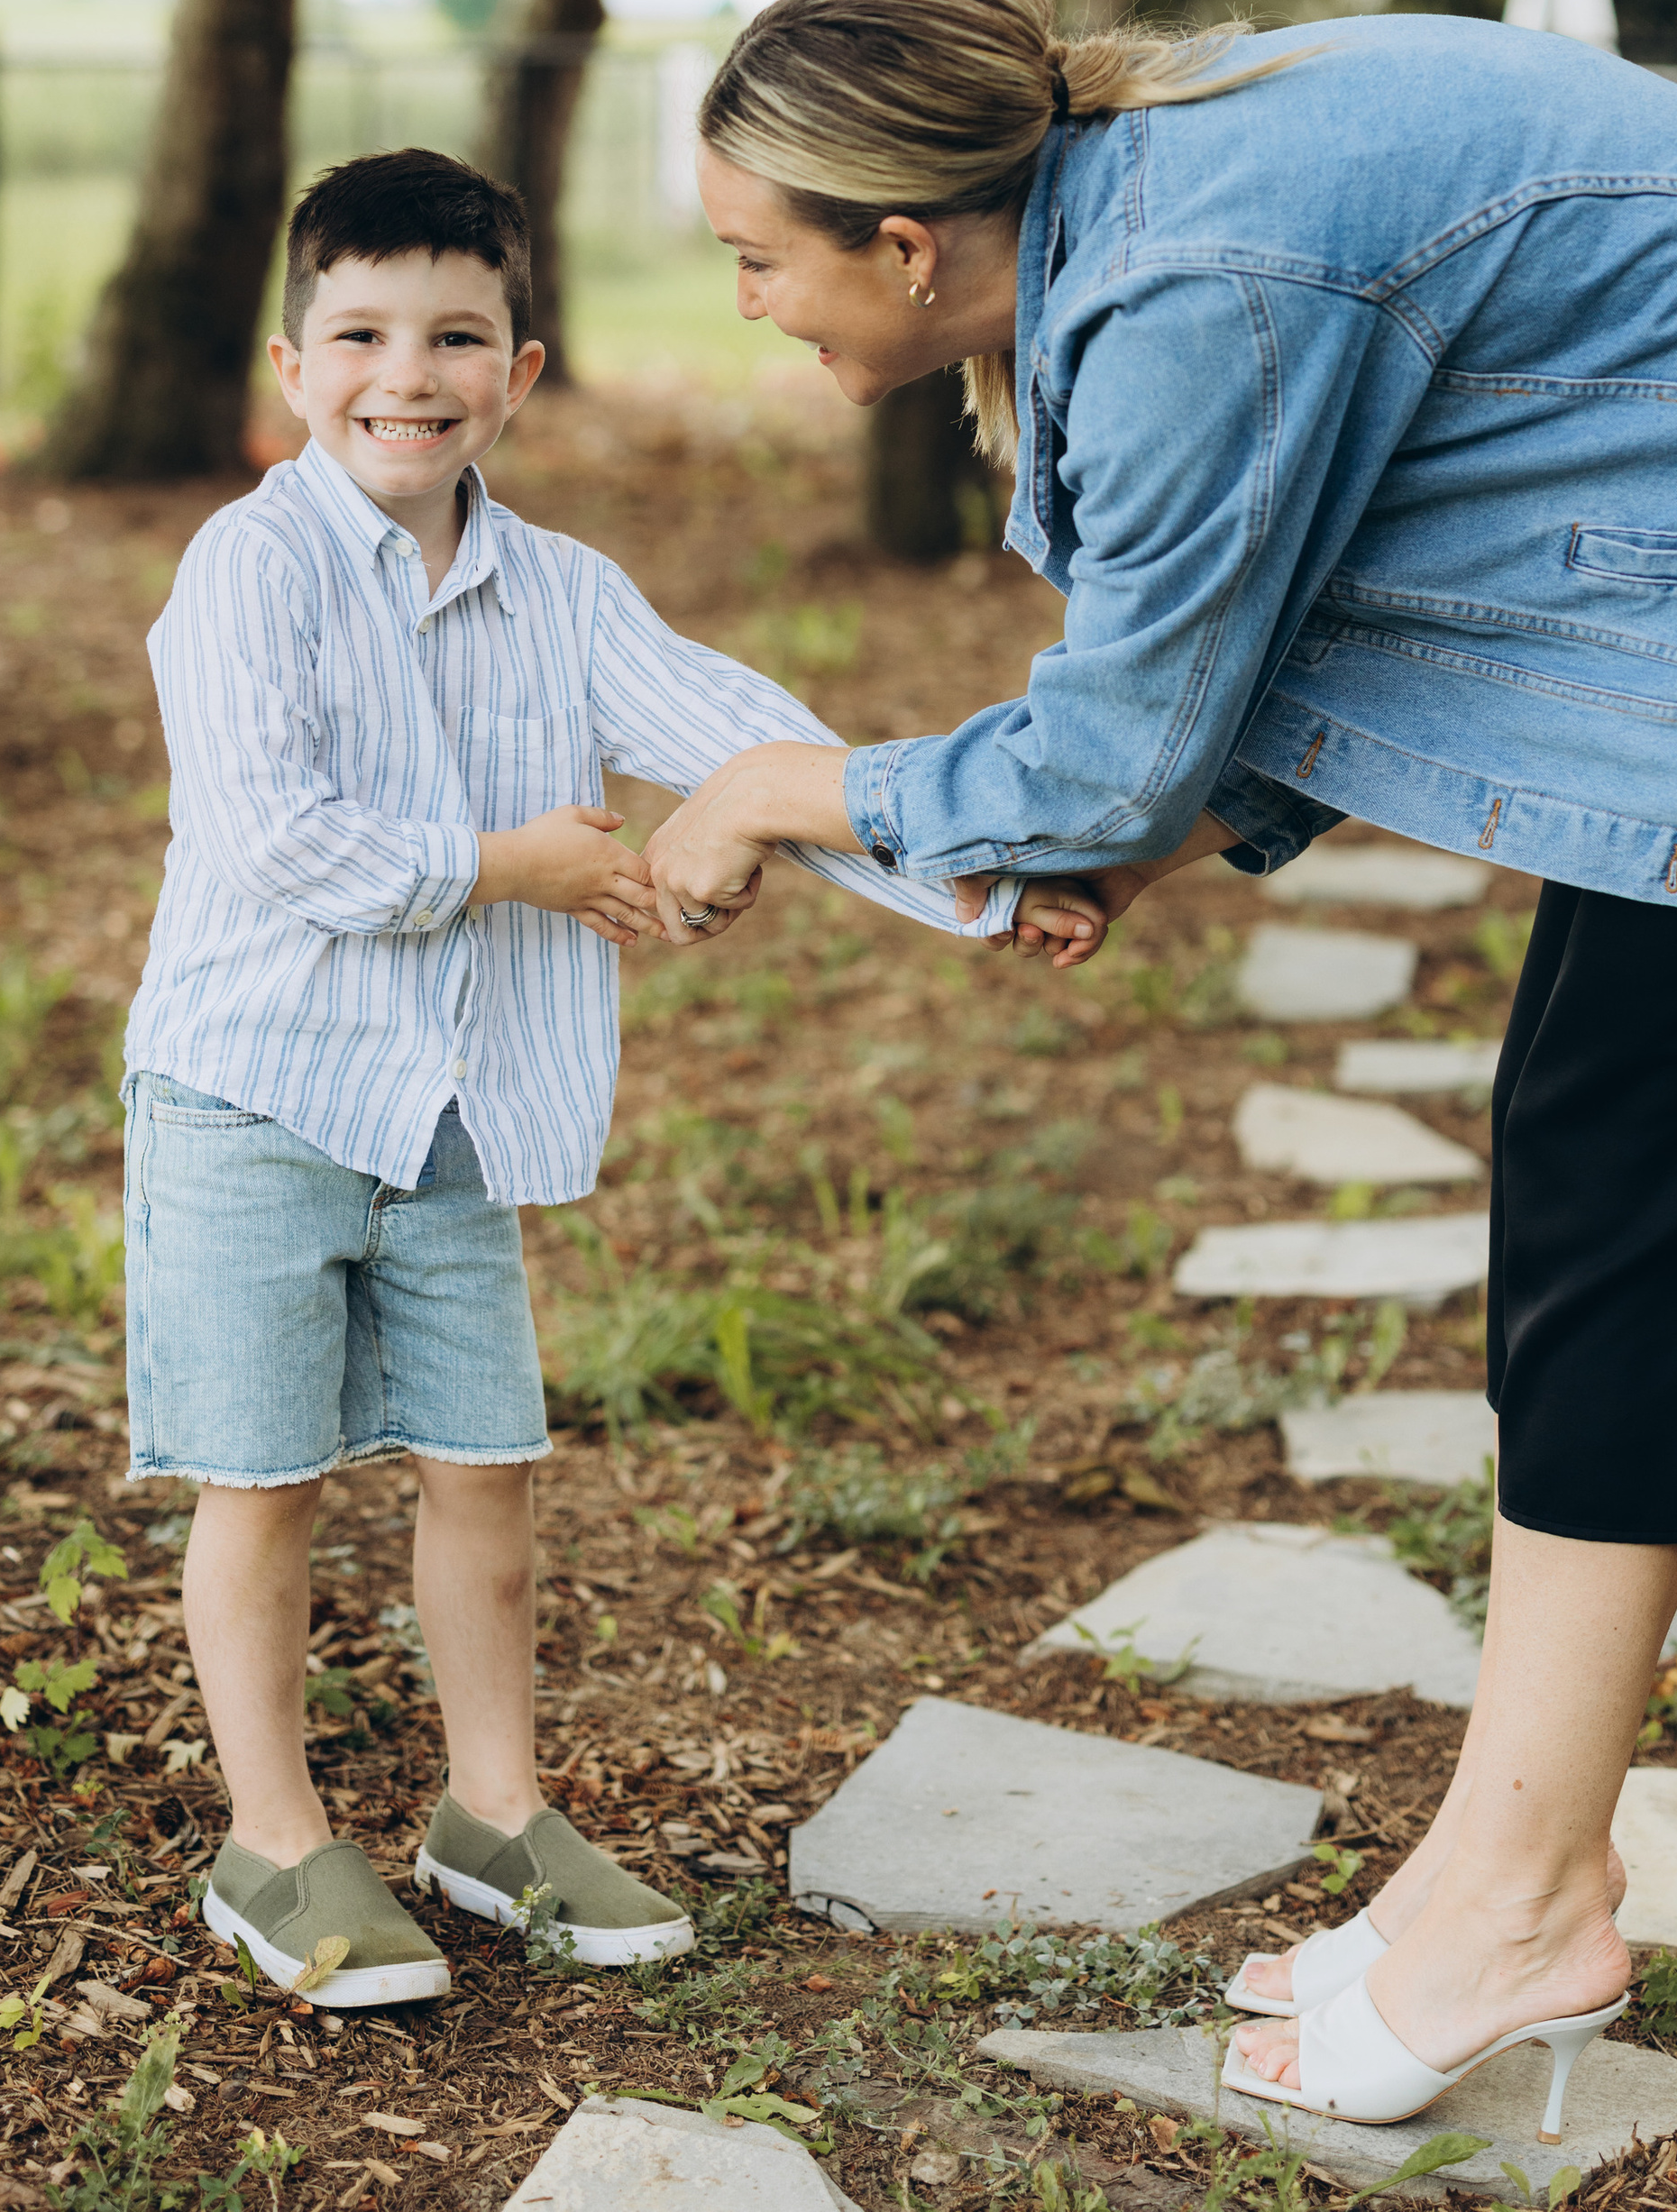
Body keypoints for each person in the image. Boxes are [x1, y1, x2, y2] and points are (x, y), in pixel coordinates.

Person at [638, 0, 1677, 2142]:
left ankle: (1523, 1900)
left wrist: (779, 790)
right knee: (1635, 1191)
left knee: (1635, 1207)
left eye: (754, 260)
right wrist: (1152, 841)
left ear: (900, 244)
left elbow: (1111, 745)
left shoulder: (1191, 277)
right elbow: (1345, 589)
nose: (744, 307)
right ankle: (1493, 1878)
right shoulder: (1164, 212)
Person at [123, 145, 1097, 2011]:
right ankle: (274, 1840)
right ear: (292, 364)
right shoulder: (247, 568)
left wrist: (983, 885)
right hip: (252, 1101)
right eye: (361, 335)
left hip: (453, 1113)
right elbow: (276, 838)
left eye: (454, 337)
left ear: (519, 370)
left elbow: (751, 746)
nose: (406, 375)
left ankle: (493, 1815)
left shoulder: (564, 594)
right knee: (264, 1483)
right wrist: (527, 865)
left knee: (485, 1470)